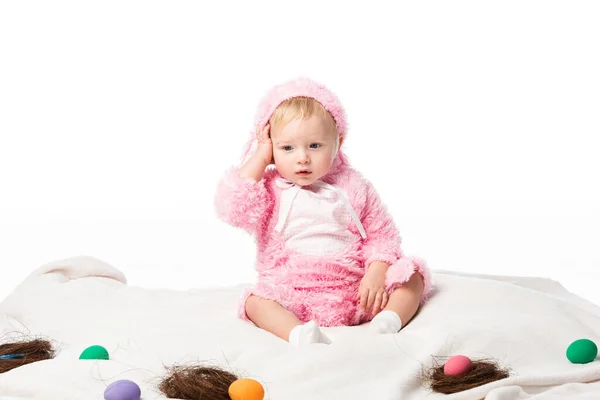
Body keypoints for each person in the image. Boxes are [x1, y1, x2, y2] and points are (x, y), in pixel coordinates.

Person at [215, 77, 433, 347]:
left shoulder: (353, 185)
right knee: (254, 301)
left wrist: (376, 273)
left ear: (338, 143)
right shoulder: (269, 188)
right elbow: (233, 207)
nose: (302, 157)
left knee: (413, 273)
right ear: (272, 147)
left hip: (359, 294)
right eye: (287, 148)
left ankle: (389, 319)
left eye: (315, 146)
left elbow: (383, 237)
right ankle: (299, 334)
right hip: (295, 297)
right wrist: (260, 155)